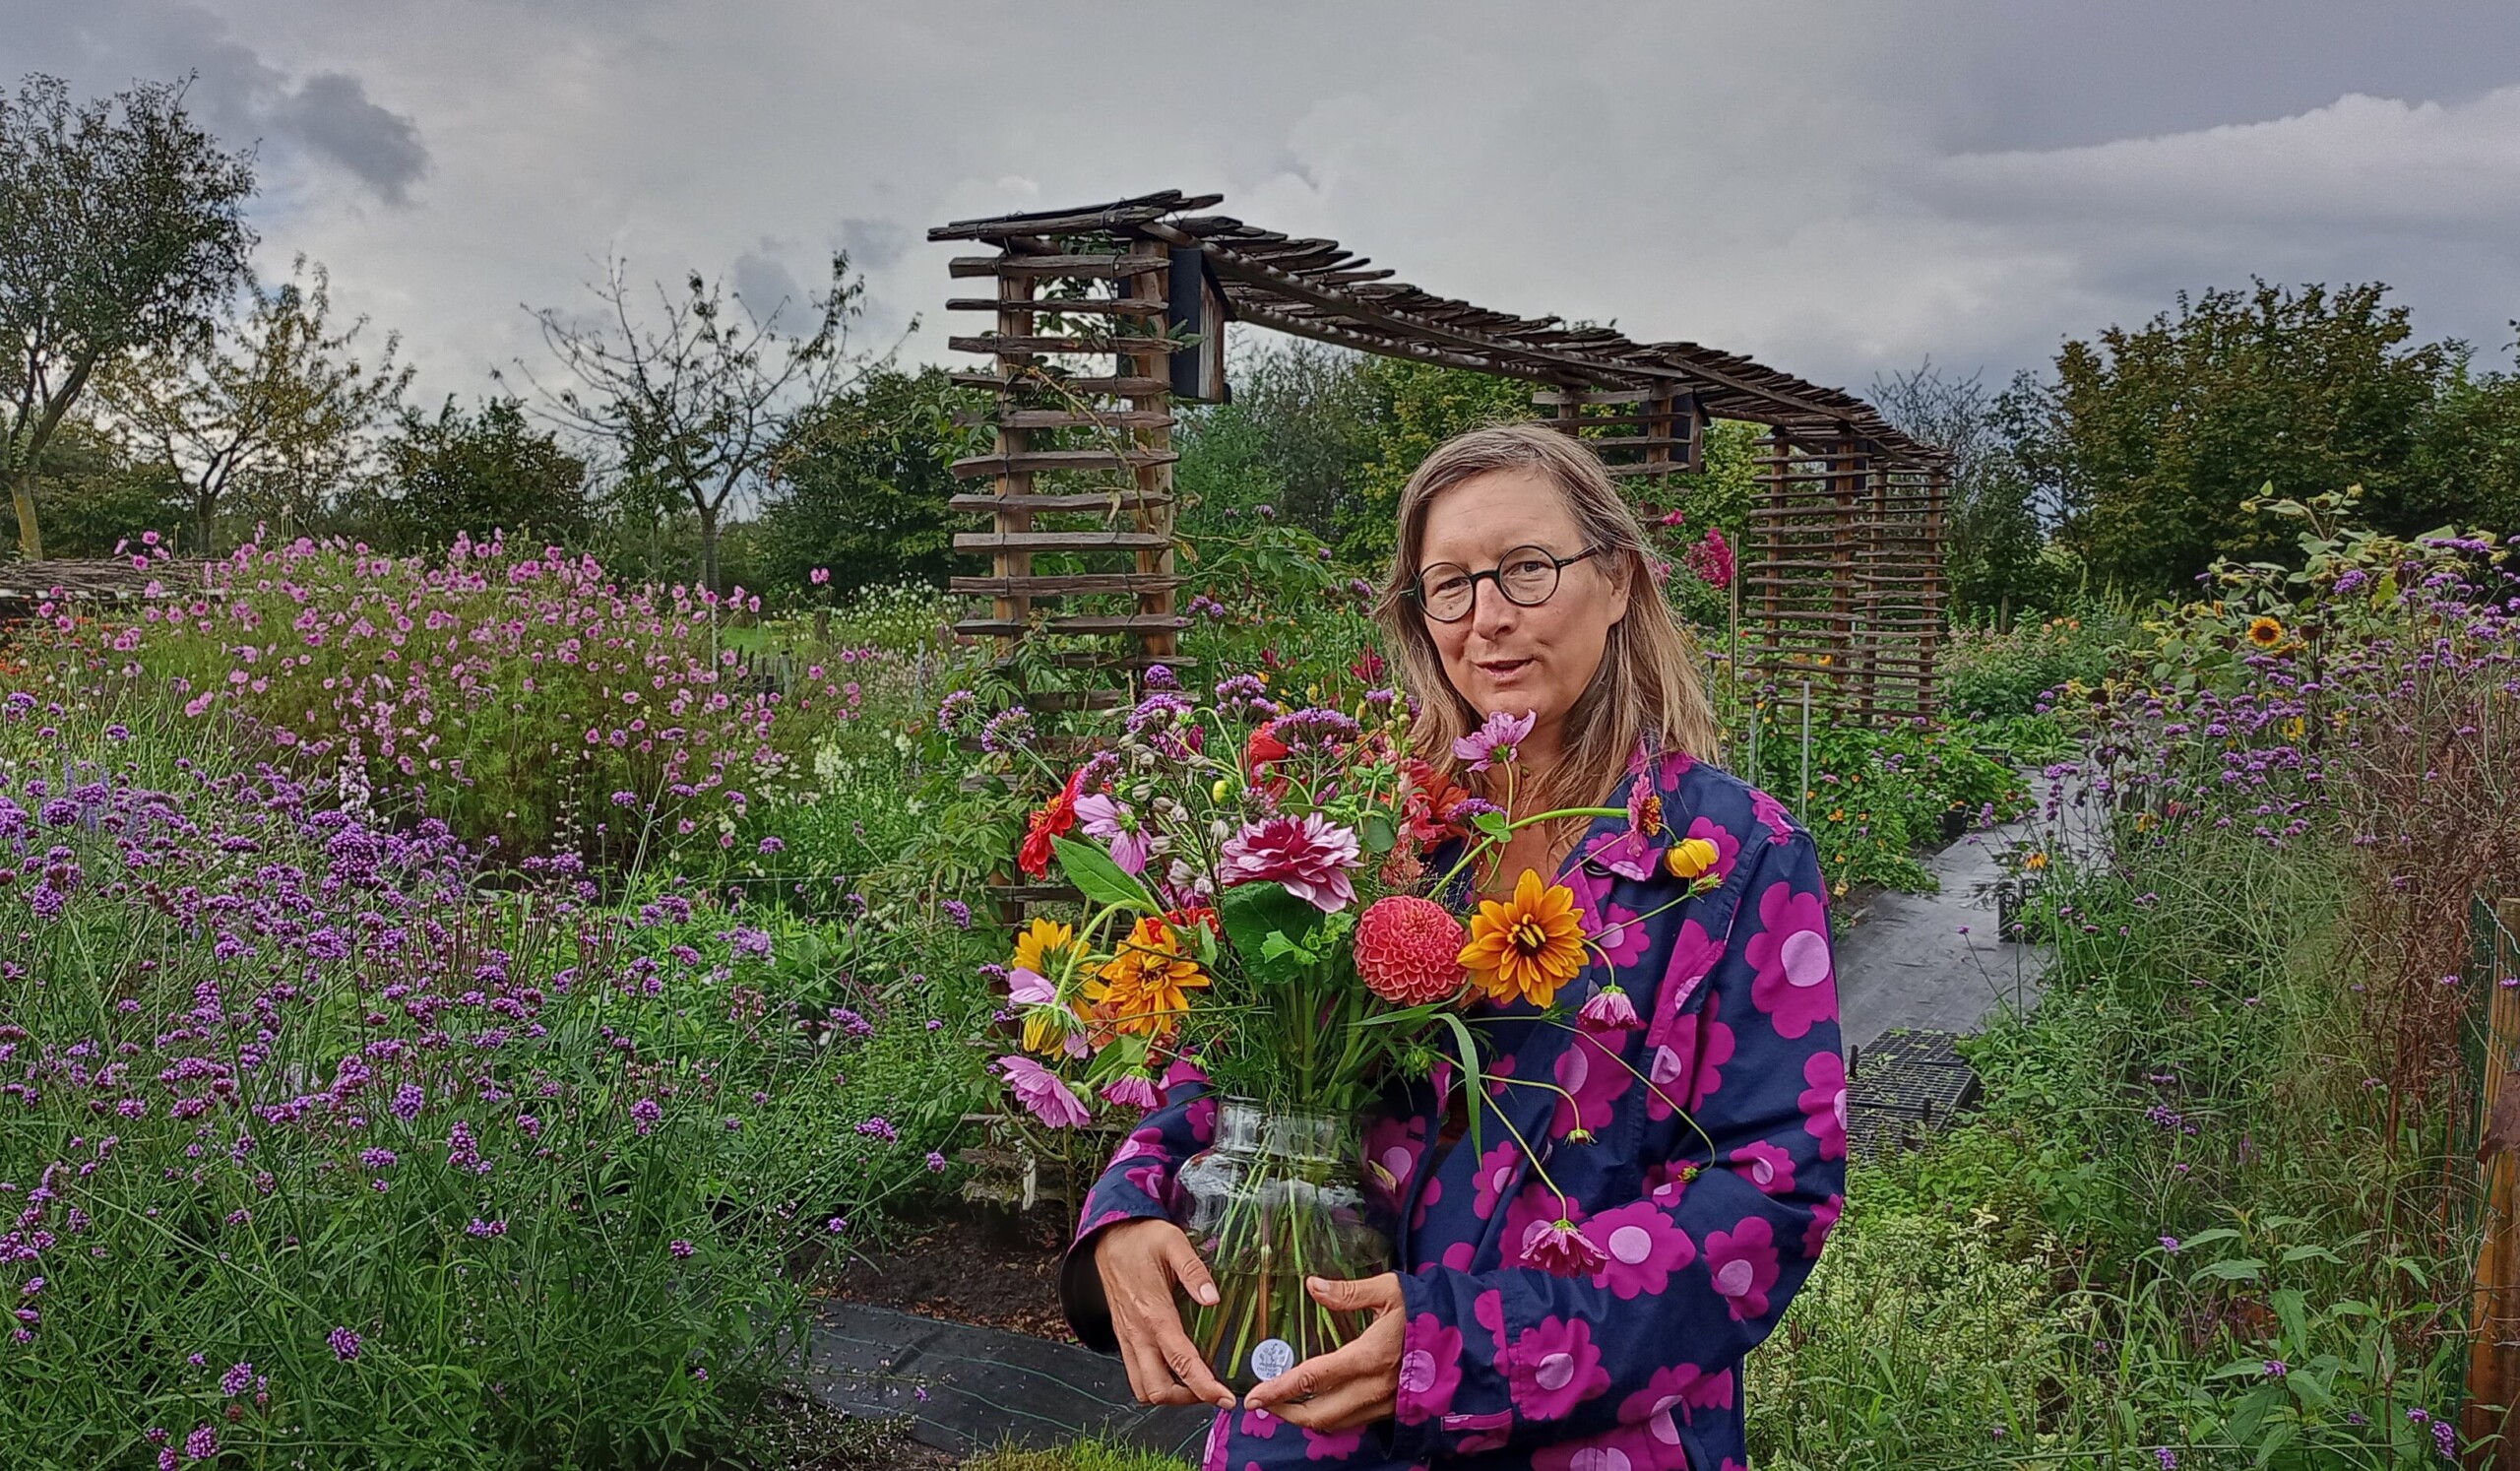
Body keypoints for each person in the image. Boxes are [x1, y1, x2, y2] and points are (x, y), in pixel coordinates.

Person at [1059, 422, 1846, 1471]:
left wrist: (1454, 1346)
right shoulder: (1373, 829)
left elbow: (1768, 1194)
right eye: (1449, 586)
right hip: (1303, 1419)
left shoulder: (1727, 859)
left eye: (1527, 570)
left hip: (1581, 1438)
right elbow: (1234, 1065)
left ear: (1616, 583)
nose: (1487, 620)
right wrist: (1124, 1212)